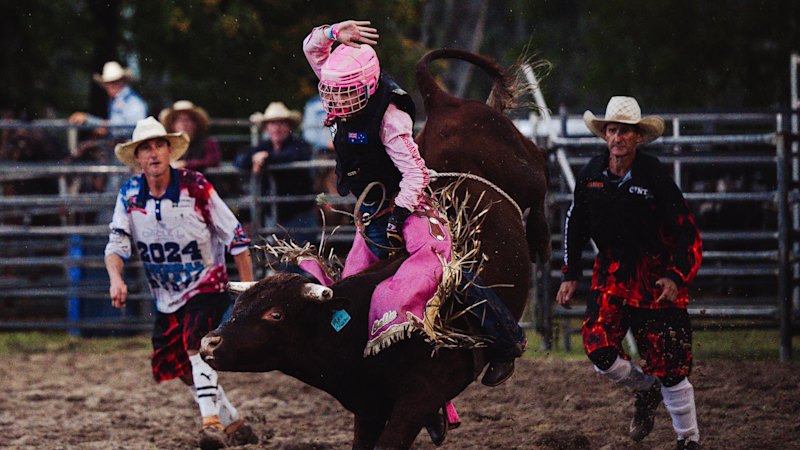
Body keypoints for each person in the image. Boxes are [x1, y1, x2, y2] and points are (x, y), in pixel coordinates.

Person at [303, 20, 525, 387]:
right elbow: (311, 48)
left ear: (367, 87)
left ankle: (506, 341)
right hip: (373, 208)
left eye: (347, 94)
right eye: (334, 93)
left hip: (411, 205)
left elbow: (416, 175)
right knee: (350, 285)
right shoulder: (337, 86)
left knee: (444, 270)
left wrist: (400, 214)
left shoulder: (390, 118)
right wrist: (331, 34)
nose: (338, 101)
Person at [556, 96, 703, 450]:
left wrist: (675, 275)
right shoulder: (591, 174)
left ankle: (688, 439)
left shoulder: (654, 177)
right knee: (598, 346)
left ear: (637, 137)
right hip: (612, 274)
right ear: (604, 135)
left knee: (670, 365)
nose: (617, 138)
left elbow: (686, 231)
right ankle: (644, 388)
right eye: (612, 130)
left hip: (655, 277)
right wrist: (570, 272)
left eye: (624, 131)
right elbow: (575, 222)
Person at [104, 116, 258, 449]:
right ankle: (232, 420)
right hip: (165, 294)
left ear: (169, 150)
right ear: (138, 157)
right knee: (175, 363)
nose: (154, 153)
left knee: (195, 345)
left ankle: (211, 424)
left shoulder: (197, 186)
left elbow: (236, 238)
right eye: (146, 148)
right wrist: (115, 277)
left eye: (159, 145)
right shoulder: (130, 193)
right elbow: (116, 243)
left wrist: (247, 291)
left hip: (206, 282)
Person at [234, 102, 316, 244]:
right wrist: (256, 158)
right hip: (273, 217)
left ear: (289, 126)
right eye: (272, 124)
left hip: (299, 216)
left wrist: (265, 159)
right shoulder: (264, 146)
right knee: (276, 260)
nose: (277, 128)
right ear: (266, 128)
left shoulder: (298, 145)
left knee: (302, 259)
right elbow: (240, 160)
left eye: (281, 123)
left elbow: (292, 156)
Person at [69, 61, 147, 141]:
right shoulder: (116, 100)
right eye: (108, 83)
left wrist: (89, 120)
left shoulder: (134, 102)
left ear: (123, 81)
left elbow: (124, 129)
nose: (110, 86)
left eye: (115, 82)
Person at [159, 100, 221, 173]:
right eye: (179, 120)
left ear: (196, 124)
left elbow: (213, 161)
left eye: (187, 120)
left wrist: (186, 164)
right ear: (172, 125)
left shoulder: (207, 142)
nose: (184, 124)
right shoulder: (167, 144)